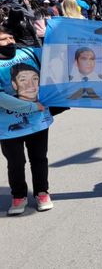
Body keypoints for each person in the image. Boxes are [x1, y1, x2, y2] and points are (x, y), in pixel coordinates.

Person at [0, 26, 54, 215]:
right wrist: (31, 106)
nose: (10, 42)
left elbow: (55, 52)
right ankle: (18, 196)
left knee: (39, 159)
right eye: (3, 40)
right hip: (6, 126)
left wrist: (38, 30)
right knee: (15, 162)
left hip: (38, 121)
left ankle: (42, 192)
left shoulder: (28, 52)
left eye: (11, 37)